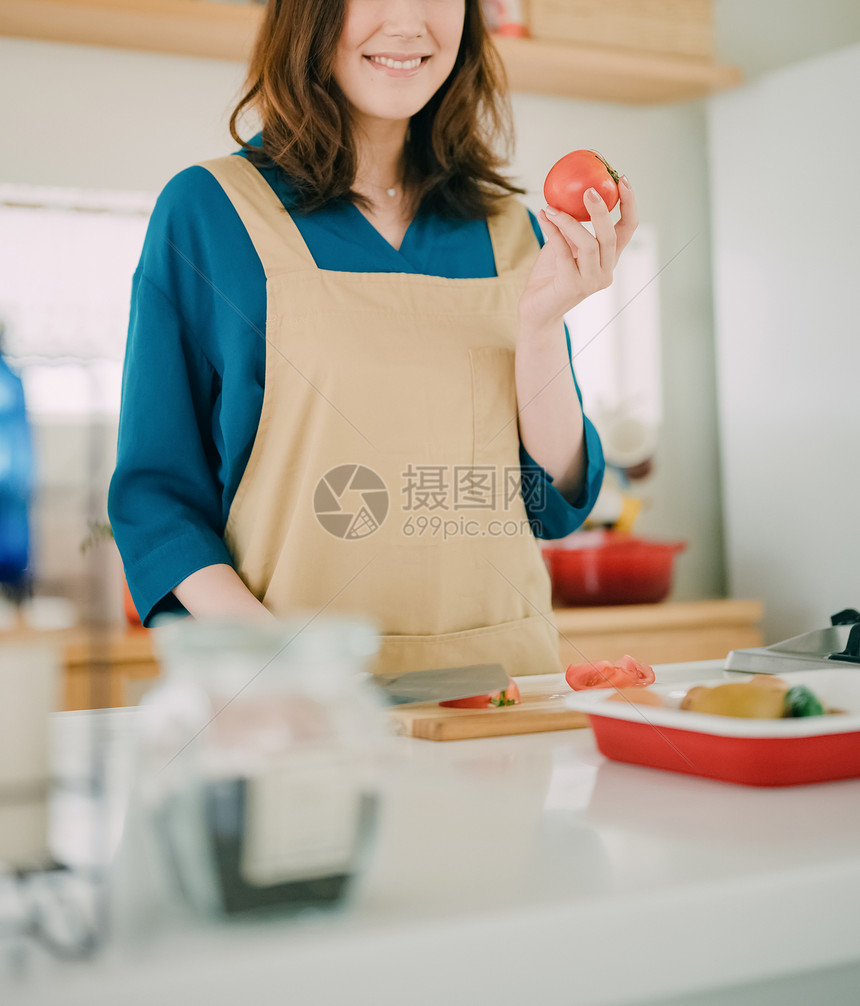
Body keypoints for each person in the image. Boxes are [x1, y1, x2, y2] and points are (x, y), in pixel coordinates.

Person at [108, 0, 638, 677]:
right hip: (296, 704)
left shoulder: (513, 227)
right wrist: (288, 670)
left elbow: (554, 499)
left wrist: (540, 328)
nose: (408, 21)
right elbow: (159, 501)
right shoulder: (210, 211)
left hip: (503, 702)